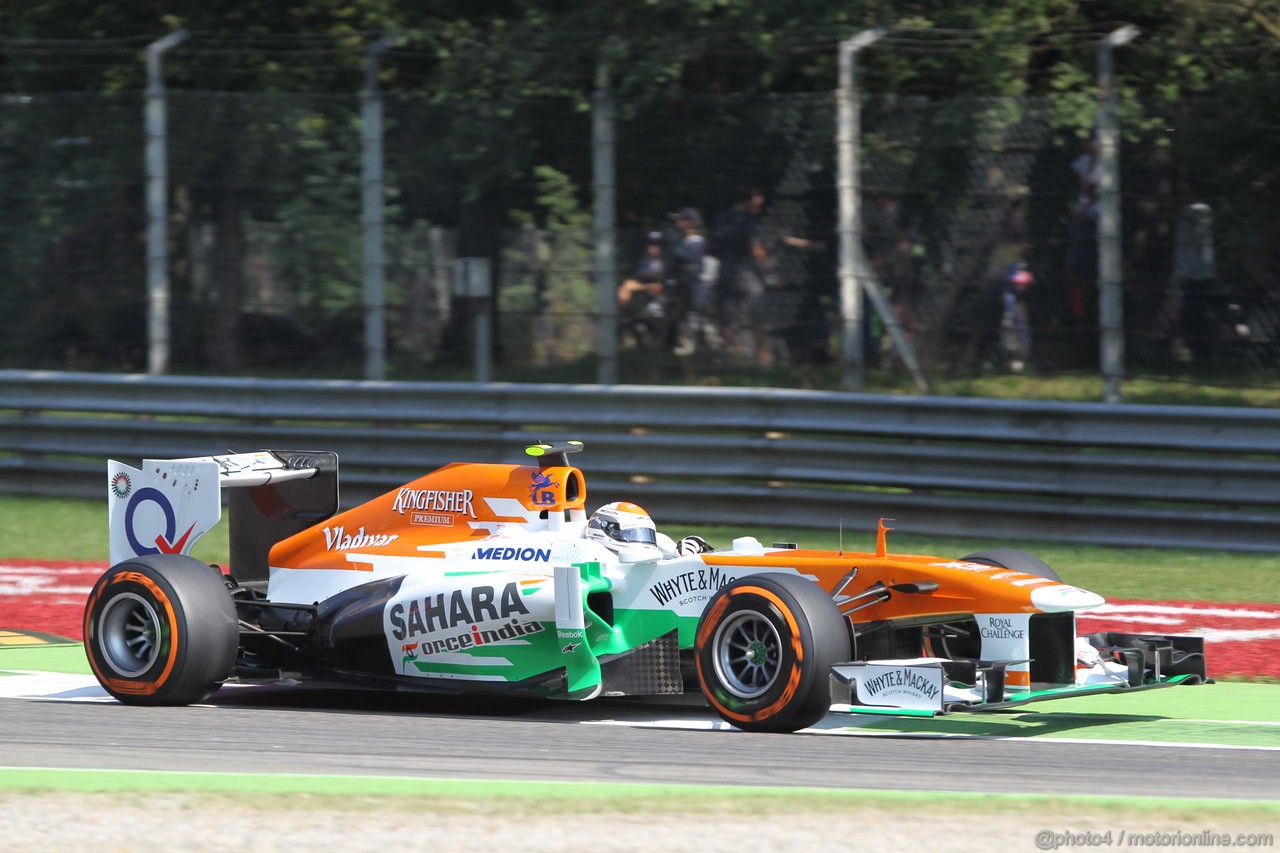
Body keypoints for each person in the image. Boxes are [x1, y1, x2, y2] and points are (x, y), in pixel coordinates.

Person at [709, 188, 771, 366]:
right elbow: (756, 248)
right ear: (747, 201)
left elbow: (709, 247)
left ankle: (727, 356)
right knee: (758, 313)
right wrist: (766, 270)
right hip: (746, 273)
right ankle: (762, 356)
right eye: (757, 202)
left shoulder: (719, 219)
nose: (760, 206)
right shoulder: (750, 221)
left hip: (724, 272)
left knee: (727, 316)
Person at [583, 501, 713, 560]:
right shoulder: (591, 556)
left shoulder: (659, 545)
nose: (643, 539)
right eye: (633, 533)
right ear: (609, 530)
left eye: (646, 533)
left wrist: (689, 555)